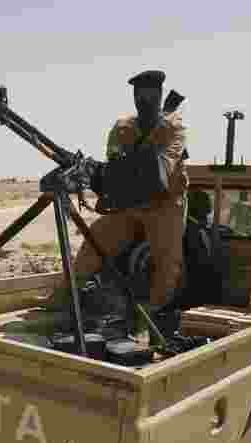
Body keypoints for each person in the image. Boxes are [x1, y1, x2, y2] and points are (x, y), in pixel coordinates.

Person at [42, 69, 189, 312]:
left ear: (160, 95)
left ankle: (153, 313)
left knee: (167, 260)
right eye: (139, 94)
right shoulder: (123, 127)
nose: (144, 99)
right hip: (129, 204)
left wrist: (129, 165)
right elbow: (113, 169)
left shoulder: (173, 128)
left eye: (150, 94)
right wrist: (91, 174)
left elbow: (160, 171)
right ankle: (68, 296)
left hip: (163, 204)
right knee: (95, 239)